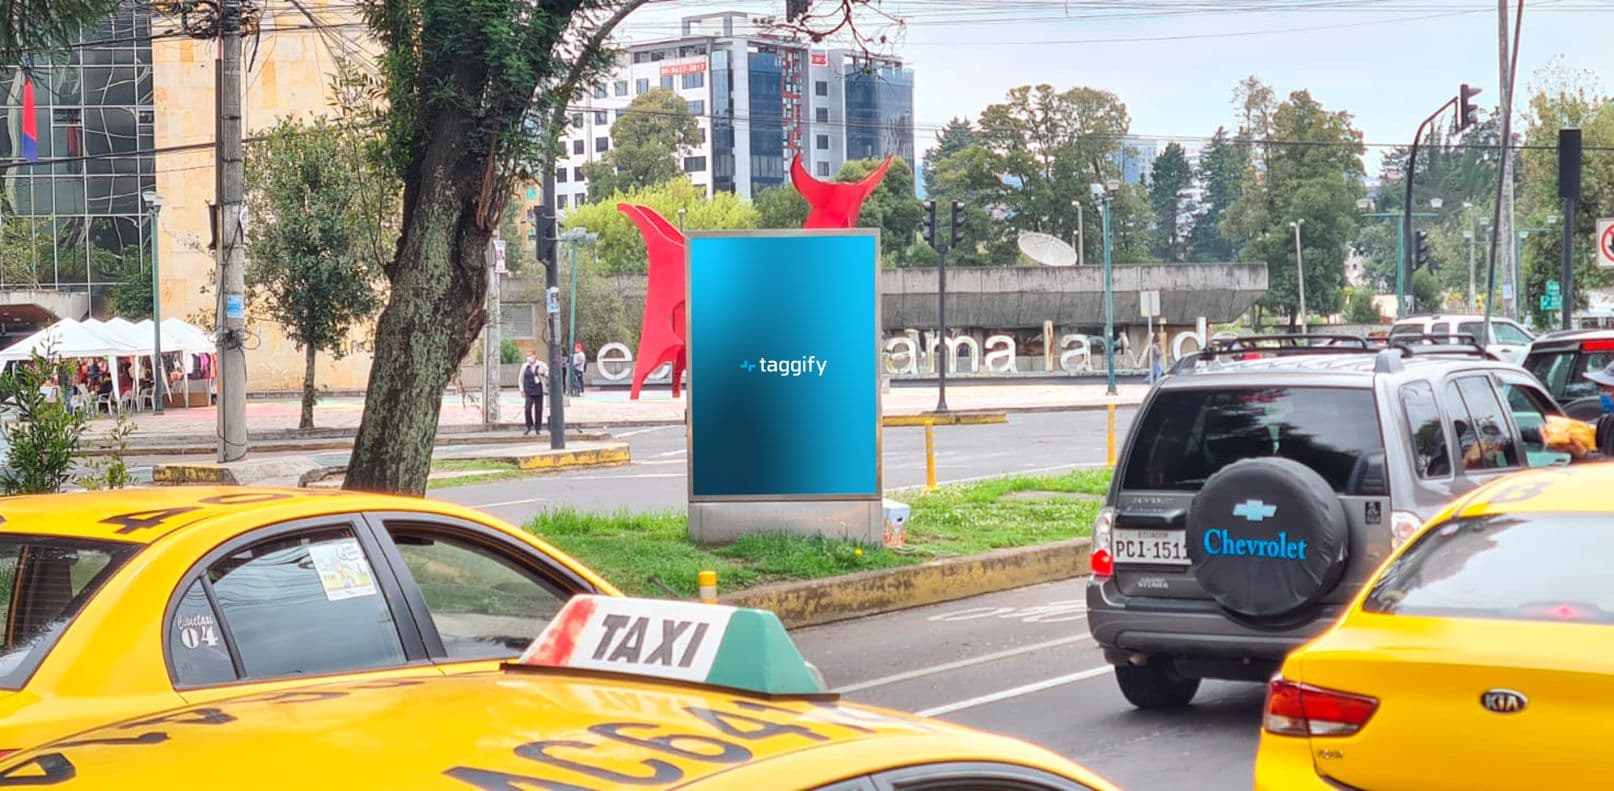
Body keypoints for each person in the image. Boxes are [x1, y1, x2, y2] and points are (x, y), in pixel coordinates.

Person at [519, 350, 547, 436]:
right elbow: (520, 379)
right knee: (527, 408)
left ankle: (538, 428)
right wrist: (522, 390)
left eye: (530, 355)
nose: (528, 357)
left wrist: (543, 373)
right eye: (527, 356)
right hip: (528, 390)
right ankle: (528, 425)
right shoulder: (525, 366)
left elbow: (548, 373)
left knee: (538, 410)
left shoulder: (541, 364)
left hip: (538, 390)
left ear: (535, 355)